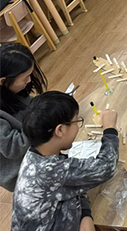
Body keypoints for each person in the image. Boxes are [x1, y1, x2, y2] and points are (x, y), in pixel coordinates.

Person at [12, 91, 119, 231]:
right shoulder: (49, 170)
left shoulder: (36, 154)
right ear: (60, 130)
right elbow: (106, 167)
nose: (78, 127)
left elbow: (70, 184)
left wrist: (85, 214)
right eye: (77, 121)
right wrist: (110, 129)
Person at [0, 43, 47, 192]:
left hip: (38, 155)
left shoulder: (12, 91)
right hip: (22, 174)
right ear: (3, 81)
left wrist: (49, 105)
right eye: (25, 77)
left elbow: (29, 105)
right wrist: (39, 119)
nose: (29, 81)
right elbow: (14, 147)